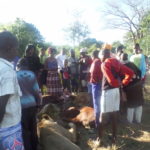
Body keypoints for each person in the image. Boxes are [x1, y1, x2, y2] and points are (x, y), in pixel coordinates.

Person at [98, 45, 133, 144]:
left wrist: (118, 84)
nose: (100, 58)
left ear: (103, 55)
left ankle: (99, 140)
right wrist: (123, 83)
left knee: (102, 116)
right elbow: (130, 73)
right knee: (114, 115)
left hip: (107, 92)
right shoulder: (117, 62)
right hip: (116, 92)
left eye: (100, 56)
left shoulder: (104, 64)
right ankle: (114, 138)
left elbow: (111, 81)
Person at [0, 31, 24, 150]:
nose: (17, 52)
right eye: (16, 48)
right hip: (8, 128)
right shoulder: (7, 72)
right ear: (9, 48)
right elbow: (1, 104)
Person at [16, 58, 41, 150]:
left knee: (24, 131)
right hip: (32, 105)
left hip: (21, 107)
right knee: (33, 129)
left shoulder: (15, 75)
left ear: (18, 66)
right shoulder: (32, 74)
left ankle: (27, 147)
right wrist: (38, 104)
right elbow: (37, 92)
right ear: (27, 66)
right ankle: (35, 147)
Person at [120, 53, 144, 124]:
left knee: (131, 104)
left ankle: (130, 121)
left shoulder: (122, 66)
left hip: (129, 87)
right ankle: (138, 120)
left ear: (121, 58)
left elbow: (122, 79)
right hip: (138, 85)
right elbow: (139, 72)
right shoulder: (132, 64)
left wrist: (123, 89)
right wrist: (137, 78)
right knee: (138, 103)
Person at [89, 50, 102, 128]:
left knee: (97, 104)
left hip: (96, 84)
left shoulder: (95, 62)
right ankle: (102, 121)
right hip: (101, 84)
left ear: (93, 55)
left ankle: (97, 124)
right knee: (100, 103)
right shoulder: (101, 61)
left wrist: (92, 81)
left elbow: (93, 74)